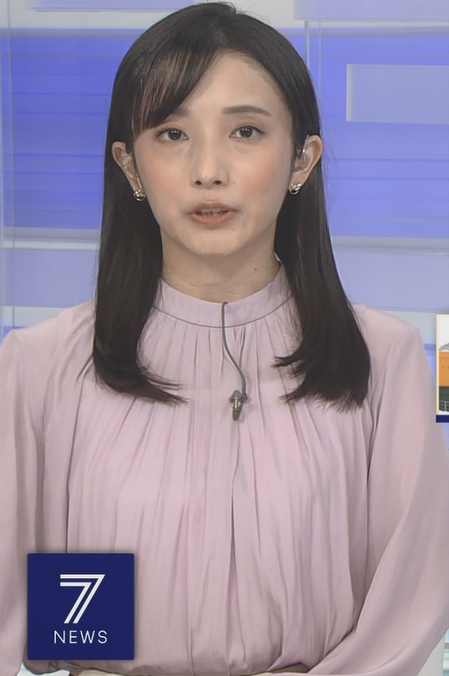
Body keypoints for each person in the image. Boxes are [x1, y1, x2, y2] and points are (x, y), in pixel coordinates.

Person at [1, 3, 448, 676]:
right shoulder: (40, 366)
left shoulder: (383, 361)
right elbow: (20, 620)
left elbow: (405, 615)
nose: (208, 170)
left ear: (302, 159)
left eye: (245, 131)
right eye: (172, 133)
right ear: (130, 166)